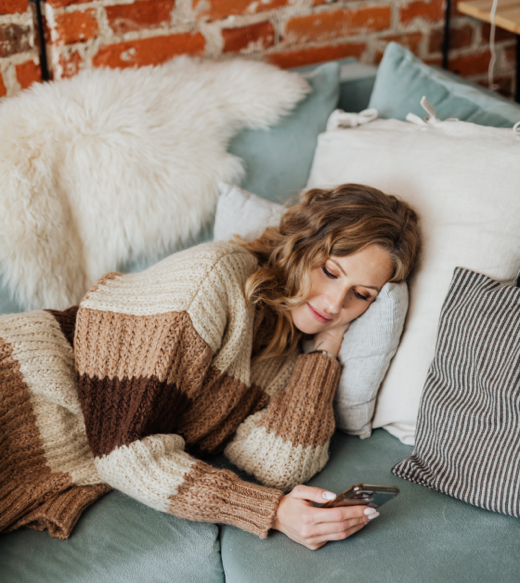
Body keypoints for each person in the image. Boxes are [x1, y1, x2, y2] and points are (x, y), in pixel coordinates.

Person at [0, 183, 421, 549]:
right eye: (330, 271)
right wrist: (271, 512)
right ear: (303, 242)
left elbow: (282, 464)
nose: (334, 304)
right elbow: (123, 449)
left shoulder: (284, 356)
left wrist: (325, 352)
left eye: (360, 295)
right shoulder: (215, 277)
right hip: (18, 382)